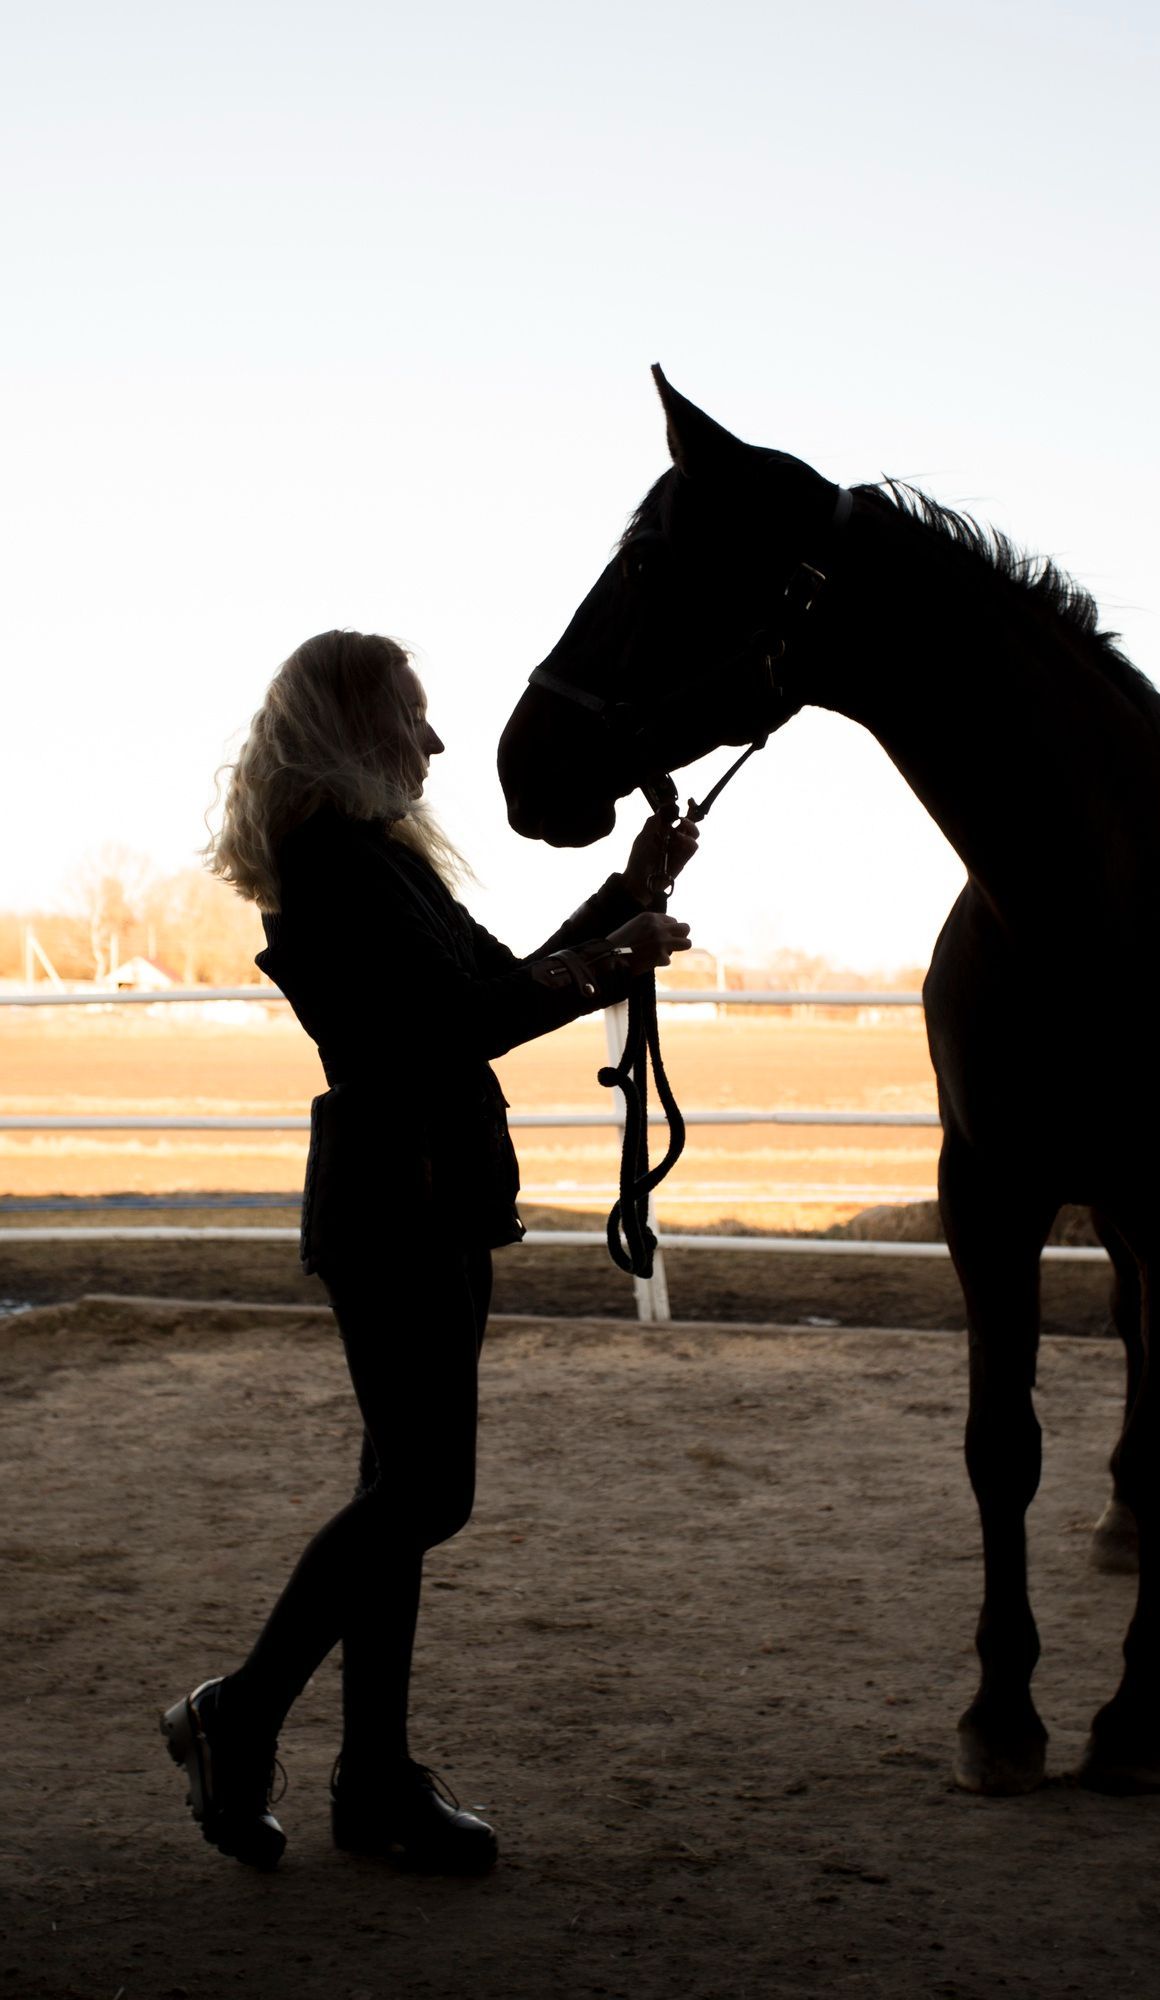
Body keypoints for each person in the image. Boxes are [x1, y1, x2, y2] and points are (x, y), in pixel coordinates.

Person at [161, 628, 696, 1873]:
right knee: (426, 1492)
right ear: (352, 726)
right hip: (397, 1198)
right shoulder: (334, 862)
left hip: (433, 1193)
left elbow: (498, 982)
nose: (438, 740)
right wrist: (606, 961)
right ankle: (236, 1714)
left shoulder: (374, 862)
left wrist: (626, 888)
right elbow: (461, 1023)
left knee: (398, 1493)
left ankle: (376, 1778)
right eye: (413, 713)